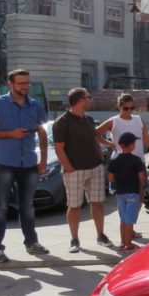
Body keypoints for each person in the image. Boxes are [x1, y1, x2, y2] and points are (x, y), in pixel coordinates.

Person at [0, 69, 50, 262]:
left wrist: (43, 160)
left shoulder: (34, 105)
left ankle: (31, 243)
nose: (25, 86)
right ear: (10, 84)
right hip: (4, 162)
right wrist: (9, 134)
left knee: (27, 205)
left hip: (28, 162)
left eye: (27, 83)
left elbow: (43, 132)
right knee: (0, 206)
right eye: (21, 83)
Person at [54, 88, 112, 253]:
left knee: (98, 203)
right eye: (89, 97)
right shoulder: (62, 122)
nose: (91, 100)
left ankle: (101, 235)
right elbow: (59, 149)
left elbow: (95, 140)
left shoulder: (88, 119)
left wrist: (101, 161)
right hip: (74, 171)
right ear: (80, 100)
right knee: (74, 206)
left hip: (94, 168)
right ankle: (74, 239)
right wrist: (70, 168)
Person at [96, 94, 149, 161]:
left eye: (132, 108)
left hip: (139, 162)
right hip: (120, 164)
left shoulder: (138, 119)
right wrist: (109, 143)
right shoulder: (113, 121)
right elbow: (94, 134)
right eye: (126, 108)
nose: (129, 111)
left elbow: (147, 140)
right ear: (119, 107)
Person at [107, 132, 146, 252]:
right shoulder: (136, 160)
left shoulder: (114, 160)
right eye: (134, 142)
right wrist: (141, 190)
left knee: (123, 218)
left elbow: (110, 178)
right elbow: (141, 177)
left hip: (120, 193)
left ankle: (123, 242)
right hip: (132, 193)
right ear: (131, 145)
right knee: (130, 219)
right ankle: (129, 245)